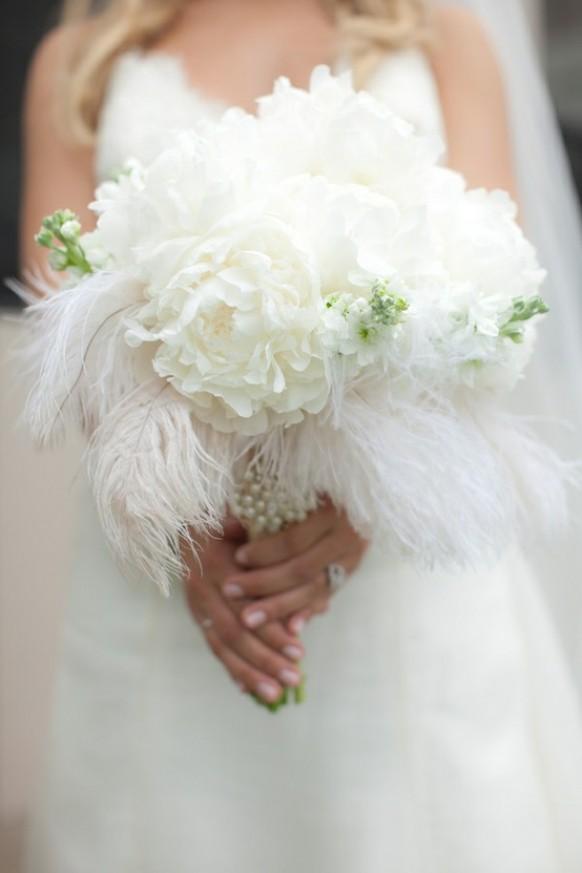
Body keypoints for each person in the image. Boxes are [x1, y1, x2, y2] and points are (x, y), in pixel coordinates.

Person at [20, 1, 582, 870]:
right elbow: (65, 325)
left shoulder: (442, 41)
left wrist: (378, 490)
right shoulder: (79, 63)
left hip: (401, 573)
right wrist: (180, 514)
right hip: (169, 572)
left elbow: (502, 307)